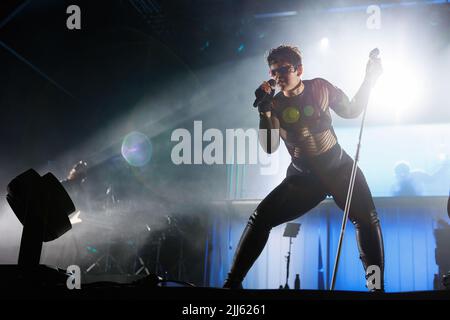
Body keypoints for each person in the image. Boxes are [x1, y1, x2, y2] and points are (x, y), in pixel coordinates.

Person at [223, 45, 385, 291]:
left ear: (299, 69)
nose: (277, 76)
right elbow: (269, 147)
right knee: (260, 219)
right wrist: (264, 113)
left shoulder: (320, 87)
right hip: (304, 179)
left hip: (340, 169)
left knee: (367, 221)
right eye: (273, 71)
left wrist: (368, 80)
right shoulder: (274, 105)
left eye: (283, 70)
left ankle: (376, 287)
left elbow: (351, 110)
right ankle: (232, 283)